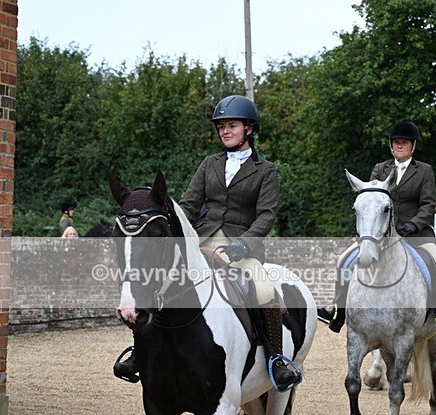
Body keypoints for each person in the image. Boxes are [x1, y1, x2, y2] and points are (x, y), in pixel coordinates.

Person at [114, 94, 301, 390]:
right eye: (221, 127)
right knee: (161, 280)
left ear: (249, 128)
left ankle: (276, 359)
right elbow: (188, 204)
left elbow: (266, 215)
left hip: (241, 246)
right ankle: (140, 352)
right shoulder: (209, 164)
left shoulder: (266, 170)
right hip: (201, 240)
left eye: (232, 126)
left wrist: (244, 244)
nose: (225, 131)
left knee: (264, 288)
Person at [319, 120, 436, 338]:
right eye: (396, 142)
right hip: (381, 235)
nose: (400, 145)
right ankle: (338, 308)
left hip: (416, 234)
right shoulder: (380, 168)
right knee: (343, 260)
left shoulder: (424, 171)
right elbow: (372, 201)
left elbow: (428, 204)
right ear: (391, 146)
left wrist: (415, 223)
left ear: (413, 146)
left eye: (405, 142)